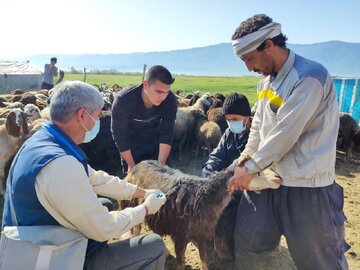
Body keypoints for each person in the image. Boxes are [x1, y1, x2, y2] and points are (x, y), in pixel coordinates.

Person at [2, 81, 167, 270]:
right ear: (81, 115)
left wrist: (140, 192)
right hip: (45, 258)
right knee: (154, 246)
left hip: (35, 237)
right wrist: (146, 208)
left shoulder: (45, 141)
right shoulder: (60, 166)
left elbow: (95, 178)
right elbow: (105, 227)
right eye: (97, 117)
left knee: (104, 204)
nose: (97, 123)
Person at [227, 14, 349, 270]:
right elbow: (259, 126)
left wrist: (248, 170)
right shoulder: (265, 83)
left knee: (319, 260)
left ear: (269, 45)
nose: (248, 68)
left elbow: (285, 134)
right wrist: (244, 160)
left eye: (249, 58)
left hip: (306, 188)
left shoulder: (309, 78)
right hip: (266, 180)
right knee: (249, 246)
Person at [201, 92, 252, 260]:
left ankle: (239, 251)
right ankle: (222, 248)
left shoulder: (256, 137)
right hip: (229, 183)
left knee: (233, 217)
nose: (231, 123)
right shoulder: (230, 133)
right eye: (228, 119)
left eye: (235, 119)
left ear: (247, 117)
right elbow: (219, 154)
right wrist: (210, 166)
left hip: (248, 187)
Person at [111, 65, 177, 177]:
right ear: (146, 85)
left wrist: (160, 166)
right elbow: (119, 135)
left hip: (156, 146)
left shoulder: (170, 100)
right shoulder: (124, 100)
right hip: (131, 148)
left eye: (166, 92)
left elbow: (167, 132)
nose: (163, 97)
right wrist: (131, 165)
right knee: (134, 186)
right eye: (159, 92)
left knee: (163, 181)